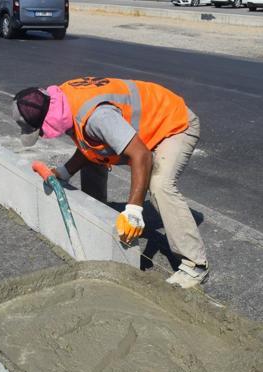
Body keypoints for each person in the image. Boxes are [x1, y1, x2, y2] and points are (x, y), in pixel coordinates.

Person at [13, 77, 209, 289]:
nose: (42, 135)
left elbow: (142, 155)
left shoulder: (97, 117)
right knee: (94, 157)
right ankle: (100, 221)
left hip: (172, 124)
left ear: (49, 121)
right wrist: (64, 172)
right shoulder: (62, 100)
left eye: (40, 131)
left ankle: (195, 265)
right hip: (143, 126)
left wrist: (133, 210)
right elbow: (89, 142)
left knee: (160, 185)